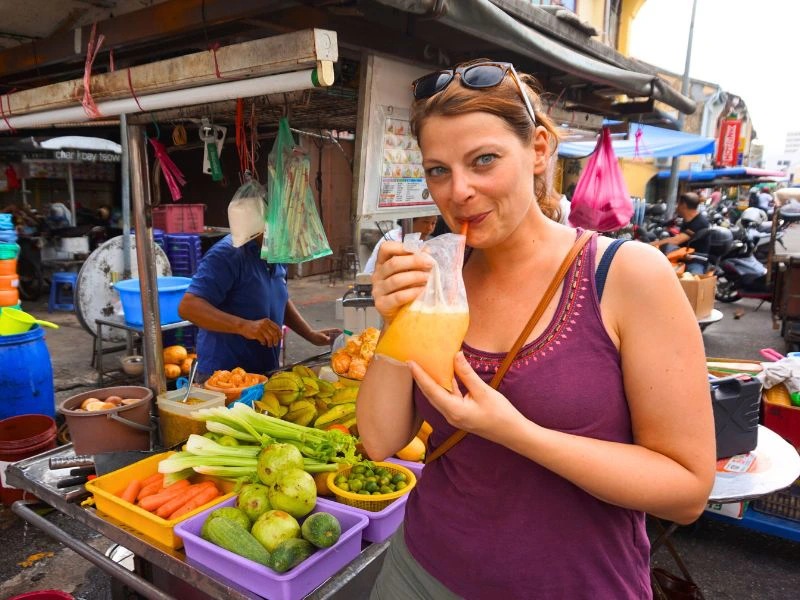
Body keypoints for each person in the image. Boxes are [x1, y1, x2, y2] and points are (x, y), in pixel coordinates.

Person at [358, 59, 715, 599]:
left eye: (484, 161)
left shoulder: (626, 275)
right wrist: (394, 322)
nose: (458, 192)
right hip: (420, 572)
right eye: (438, 170)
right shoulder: (442, 279)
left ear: (540, 150)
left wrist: (514, 432)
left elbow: (686, 490)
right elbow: (382, 439)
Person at [178, 230, 340, 380]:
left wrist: (310, 334)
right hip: (223, 375)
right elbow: (189, 307)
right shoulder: (227, 253)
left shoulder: (277, 254)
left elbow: (278, 296)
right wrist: (244, 326)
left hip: (265, 369)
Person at [650, 192, 710, 273]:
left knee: (691, 282)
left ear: (683, 205)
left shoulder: (700, 222)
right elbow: (668, 225)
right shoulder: (685, 219)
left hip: (695, 260)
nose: (676, 206)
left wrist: (651, 245)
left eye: (678, 203)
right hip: (681, 257)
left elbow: (676, 240)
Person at [363, 215, 438, 274]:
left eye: (433, 223)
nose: (429, 228)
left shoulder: (419, 240)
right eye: (425, 222)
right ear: (411, 221)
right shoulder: (394, 238)